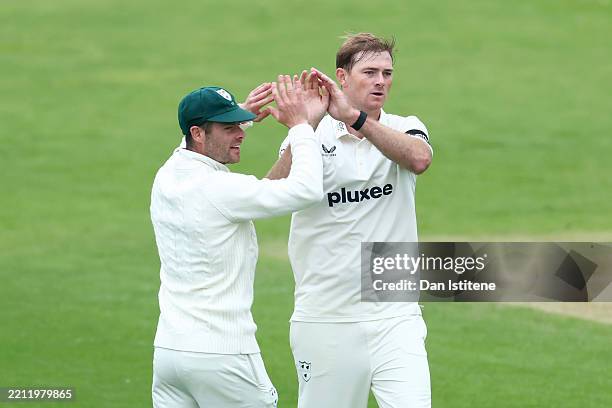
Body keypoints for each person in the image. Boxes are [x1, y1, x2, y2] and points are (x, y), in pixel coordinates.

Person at [267, 33, 433, 408]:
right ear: (341, 77)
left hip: (394, 310)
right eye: (370, 72)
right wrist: (302, 129)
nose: (380, 81)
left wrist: (356, 119)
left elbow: (419, 160)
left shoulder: (403, 126)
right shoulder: (311, 135)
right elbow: (272, 194)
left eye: (387, 73)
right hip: (327, 313)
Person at [150, 74, 328, 408]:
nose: (241, 134)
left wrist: (238, 115)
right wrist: (301, 127)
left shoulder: (167, 175)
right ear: (198, 134)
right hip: (223, 356)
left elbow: (247, 192)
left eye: (239, 125)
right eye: (229, 128)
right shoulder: (219, 189)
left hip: (170, 356)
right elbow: (307, 189)